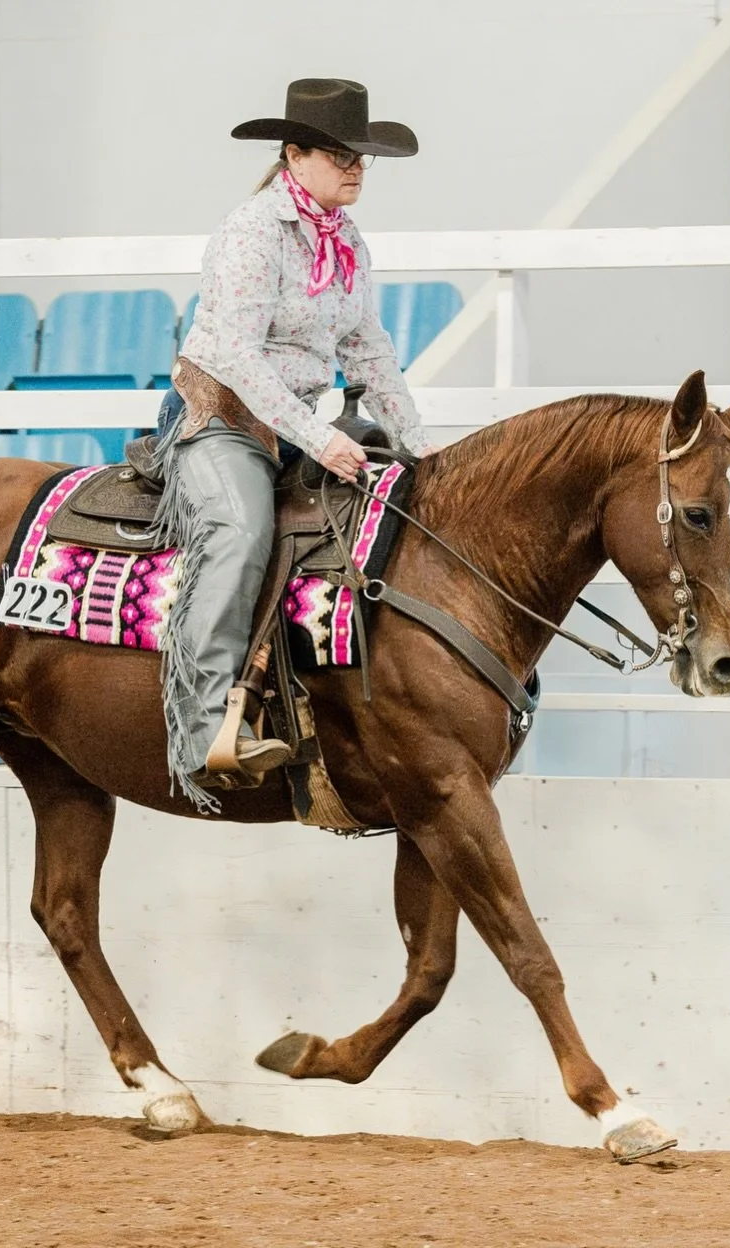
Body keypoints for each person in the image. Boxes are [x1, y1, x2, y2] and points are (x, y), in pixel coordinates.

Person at [153, 77, 436, 809]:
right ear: (294, 154)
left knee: (386, 515)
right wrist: (318, 436)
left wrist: (419, 450)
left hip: (295, 418)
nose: (357, 168)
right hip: (222, 415)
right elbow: (238, 356)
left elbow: (368, 348)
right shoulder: (253, 232)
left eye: (361, 157)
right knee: (240, 530)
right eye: (341, 155)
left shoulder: (345, 240)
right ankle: (203, 731)